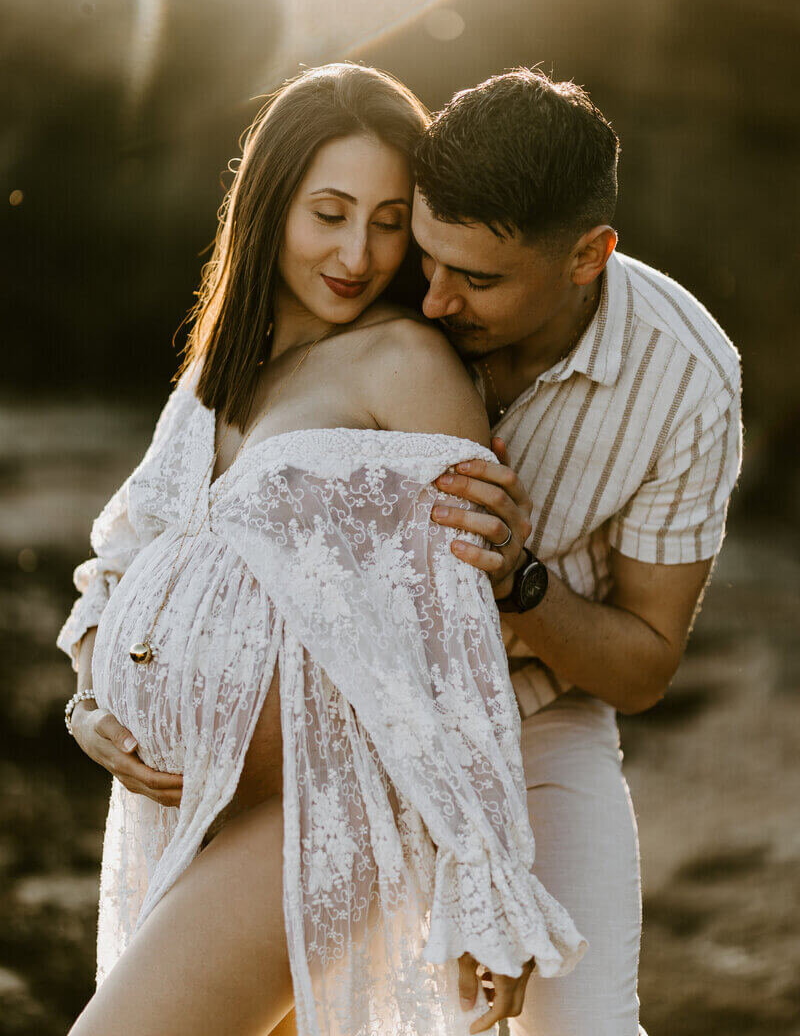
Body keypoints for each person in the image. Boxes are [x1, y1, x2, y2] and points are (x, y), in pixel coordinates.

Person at [56, 62, 584, 1036]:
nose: (358, 252)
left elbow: (452, 652)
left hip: (325, 811)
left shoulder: (405, 363)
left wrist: (483, 878)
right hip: (195, 816)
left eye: (390, 220)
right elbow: (117, 564)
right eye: (329, 212)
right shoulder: (218, 378)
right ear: (269, 207)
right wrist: (90, 700)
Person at [413, 67, 743, 1035]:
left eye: (475, 280)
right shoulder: (375, 277)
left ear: (587, 255)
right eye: (428, 261)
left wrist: (520, 581)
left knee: (585, 1025)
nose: (430, 302)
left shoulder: (685, 380)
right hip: (352, 712)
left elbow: (642, 667)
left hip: (535, 725)